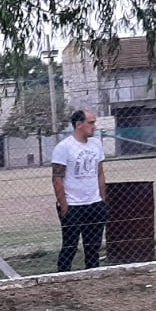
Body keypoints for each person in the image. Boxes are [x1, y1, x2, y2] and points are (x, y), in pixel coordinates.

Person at [51, 109, 109, 270]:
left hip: (94, 204)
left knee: (93, 246)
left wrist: (102, 200)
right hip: (73, 205)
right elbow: (57, 178)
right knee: (70, 245)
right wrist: (64, 206)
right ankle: (63, 276)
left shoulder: (96, 144)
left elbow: (100, 172)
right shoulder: (64, 147)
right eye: (90, 123)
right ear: (78, 125)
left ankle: (92, 274)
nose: (94, 126)